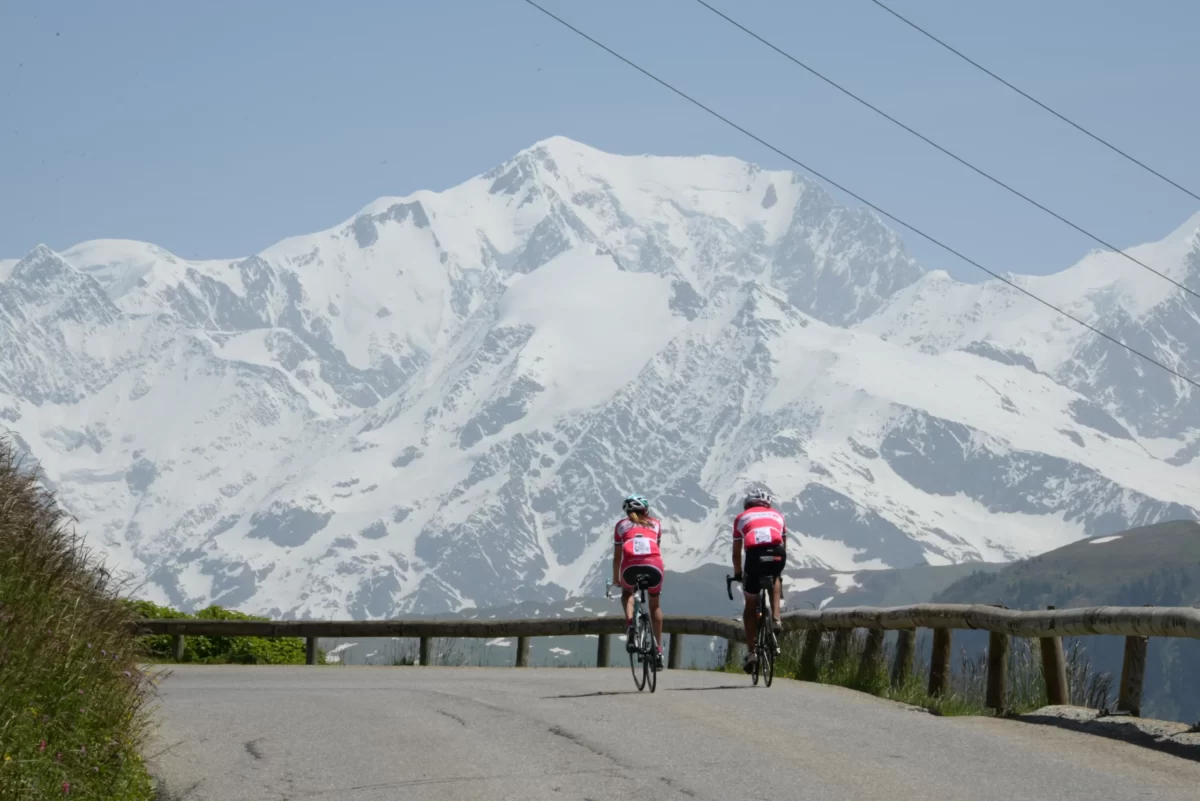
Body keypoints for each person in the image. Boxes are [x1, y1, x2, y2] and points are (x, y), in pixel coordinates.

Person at [731, 489, 786, 674]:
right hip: (778, 553)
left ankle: (752, 652)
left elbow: (737, 552)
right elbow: (783, 544)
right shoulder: (778, 515)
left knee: (750, 605)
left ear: (748, 505)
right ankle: (777, 618)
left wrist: (739, 573)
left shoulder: (741, 518)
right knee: (776, 576)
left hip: (754, 557)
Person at [611, 493, 665, 669]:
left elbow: (617, 557)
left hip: (629, 569)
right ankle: (658, 651)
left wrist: (616, 579)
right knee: (654, 606)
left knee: (627, 593)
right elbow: (656, 547)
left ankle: (630, 626)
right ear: (646, 510)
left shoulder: (620, 526)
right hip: (654, 567)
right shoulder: (655, 524)